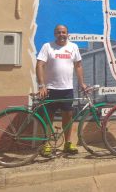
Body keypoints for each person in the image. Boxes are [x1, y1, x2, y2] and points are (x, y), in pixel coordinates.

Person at [36, 24, 87, 156]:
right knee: (48, 118)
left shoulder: (73, 47)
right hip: (51, 89)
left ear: (67, 33)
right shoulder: (48, 46)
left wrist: (82, 83)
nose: (61, 35)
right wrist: (41, 85)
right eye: (58, 32)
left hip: (67, 89)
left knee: (68, 117)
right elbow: (40, 65)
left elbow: (78, 66)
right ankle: (46, 144)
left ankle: (68, 143)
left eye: (63, 32)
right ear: (55, 34)